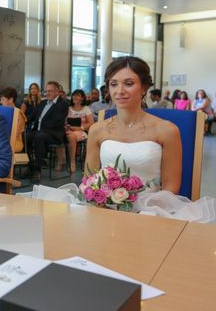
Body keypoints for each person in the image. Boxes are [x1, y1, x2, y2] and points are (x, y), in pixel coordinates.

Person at [84, 56, 216, 220]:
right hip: (105, 211)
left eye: (129, 83)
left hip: (152, 212)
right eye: (113, 84)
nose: (120, 91)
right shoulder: (97, 130)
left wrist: (144, 215)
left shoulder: (166, 130)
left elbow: (170, 186)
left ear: (144, 88)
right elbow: (90, 178)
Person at [26, 81, 69, 183]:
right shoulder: (43, 103)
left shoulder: (62, 104)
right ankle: (30, 166)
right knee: (25, 136)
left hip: (54, 134)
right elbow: (31, 116)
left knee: (39, 136)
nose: (47, 93)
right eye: (46, 91)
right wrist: (22, 120)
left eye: (50, 91)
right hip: (39, 132)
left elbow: (56, 122)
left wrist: (39, 131)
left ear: (57, 92)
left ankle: (37, 170)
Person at [64, 89, 94, 174]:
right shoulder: (68, 108)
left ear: (82, 98)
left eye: (77, 95)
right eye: (74, 95)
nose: (75, 97)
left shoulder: (86, 109)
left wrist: (80, 128)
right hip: (68, 130)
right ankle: (61, 161)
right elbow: (64, 122)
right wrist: (67, 126)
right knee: (65, 135)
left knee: (70, 136)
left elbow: (91, 122)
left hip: (81, 132)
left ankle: (72, 162)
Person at [0, 87, 26, 153]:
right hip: (2, 141)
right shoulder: (0, 113)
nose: (0, 102)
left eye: (2, 99)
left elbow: (15, 134)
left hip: (14, 143)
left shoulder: (19, 114)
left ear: (11, 100)